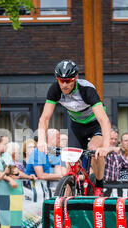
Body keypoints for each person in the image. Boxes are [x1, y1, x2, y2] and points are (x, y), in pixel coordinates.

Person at [37, 59, 111, 196]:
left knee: (94, 150)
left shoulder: (86, 89)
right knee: (71, 168)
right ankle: (65, 205)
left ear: (75, 79)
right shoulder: (55, 89)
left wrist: (106, 146)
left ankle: (99, 185)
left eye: (68, 81)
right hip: (76, 126)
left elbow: (104, 120)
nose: (64, 85)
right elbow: (44, 118)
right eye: (61, 80)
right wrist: (42, 140)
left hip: (95, 126)